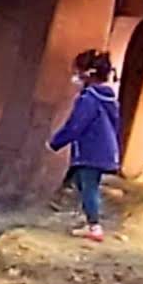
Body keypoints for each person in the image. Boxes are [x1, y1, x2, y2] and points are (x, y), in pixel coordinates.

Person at [47, 47, 122, 239]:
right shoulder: (109, 98)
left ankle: (94, 226)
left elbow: (76, 125)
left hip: (90, 151)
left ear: (87, 74)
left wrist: (56, 142)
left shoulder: (88, 99)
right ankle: (90, 219)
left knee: (89, 187)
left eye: (77, 71)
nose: (75, 76)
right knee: (85, 184)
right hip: (104, 150)